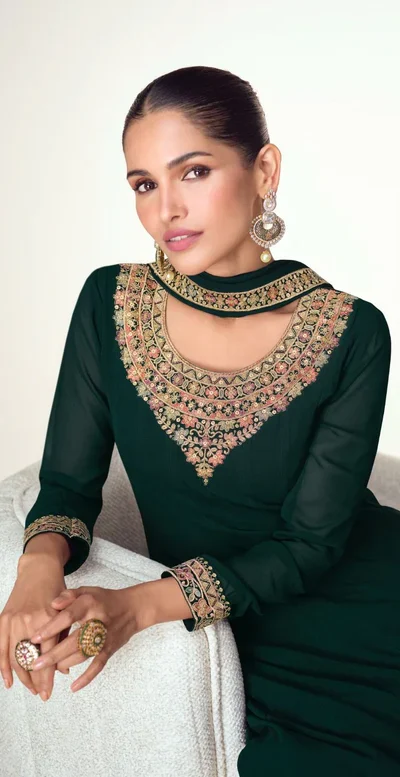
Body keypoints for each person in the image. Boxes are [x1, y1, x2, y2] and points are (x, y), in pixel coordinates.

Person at [1, 64, 399, 775]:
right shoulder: (109, 304)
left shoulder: (352, 331)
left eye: (193, 172)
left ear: (264, 170)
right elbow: (67, 483)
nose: (167, 209)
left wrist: (139, 606)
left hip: (365, 604)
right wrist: (37, 566)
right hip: (250, 638)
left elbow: (310, 545)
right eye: (144, 184)